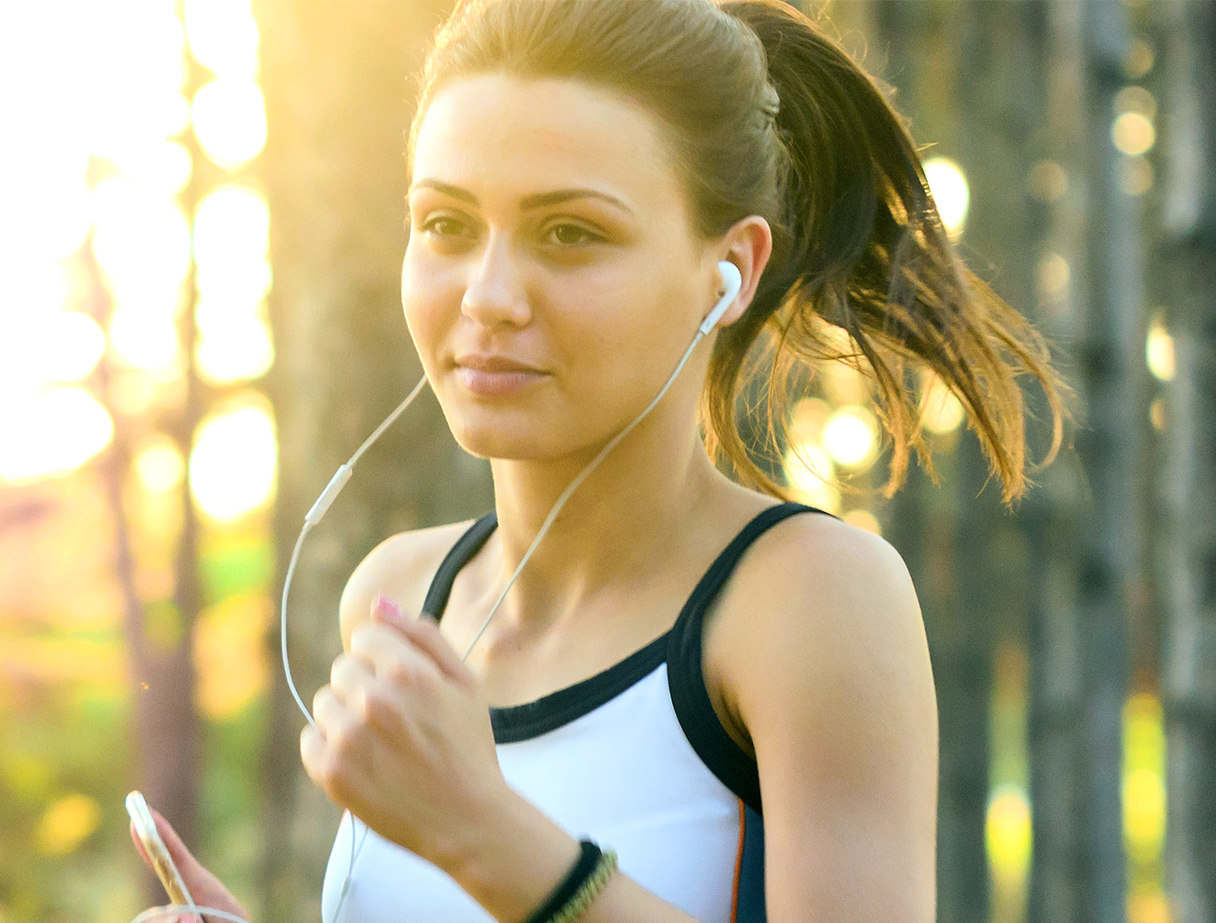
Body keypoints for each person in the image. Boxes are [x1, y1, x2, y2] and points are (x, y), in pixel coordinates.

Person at [135, 0, 1063, 920]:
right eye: (447, 226)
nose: (488, 296)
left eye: (571, 232)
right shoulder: (401, 595)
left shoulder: (805, 600)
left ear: (729, 269)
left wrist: (485, 831)